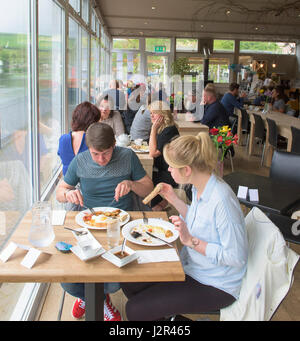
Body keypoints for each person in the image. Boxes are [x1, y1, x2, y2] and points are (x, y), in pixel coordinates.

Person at [121, 133, 248, 321]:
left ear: (187, 170)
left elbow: (236, 257)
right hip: (192, 266)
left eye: (172, 166)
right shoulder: (200, 186)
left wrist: (192, 241)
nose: (169, 169)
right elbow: (200, 219)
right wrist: (172, 198)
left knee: (134, 310)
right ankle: (164, 317)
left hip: (215, 283)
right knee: (130, 283)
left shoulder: (222, 201)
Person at [56, 122, 153, 320]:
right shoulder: (81, 160)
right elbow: (60, 191)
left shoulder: (127, 156)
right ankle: (97, 299)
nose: (101, 159)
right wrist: (68, 194)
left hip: (121, 224)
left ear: (114, 145)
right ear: (88, 149)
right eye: (95, 154)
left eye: (106, 153)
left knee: (119, 273)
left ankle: (95, 298)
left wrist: (131, 184)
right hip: (87, 223)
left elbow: (148, 188)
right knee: (67, 276)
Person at [148, 101, 179, 210]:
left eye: (155, 113)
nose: (151, 115)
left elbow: (153, 153)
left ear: (163, 114)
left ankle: (159, 206)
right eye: (151, 113)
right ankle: (159, 205)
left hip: (171, 173)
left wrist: (153, 129)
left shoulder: (169, 130)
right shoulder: (163, 128)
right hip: (163, 169)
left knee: (147, 179)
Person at [57, 101, 100, 176]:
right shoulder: (93, 139)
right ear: (93, 122)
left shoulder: (63, 139)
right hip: (88, 183)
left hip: (68, 183)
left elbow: (62, 156)